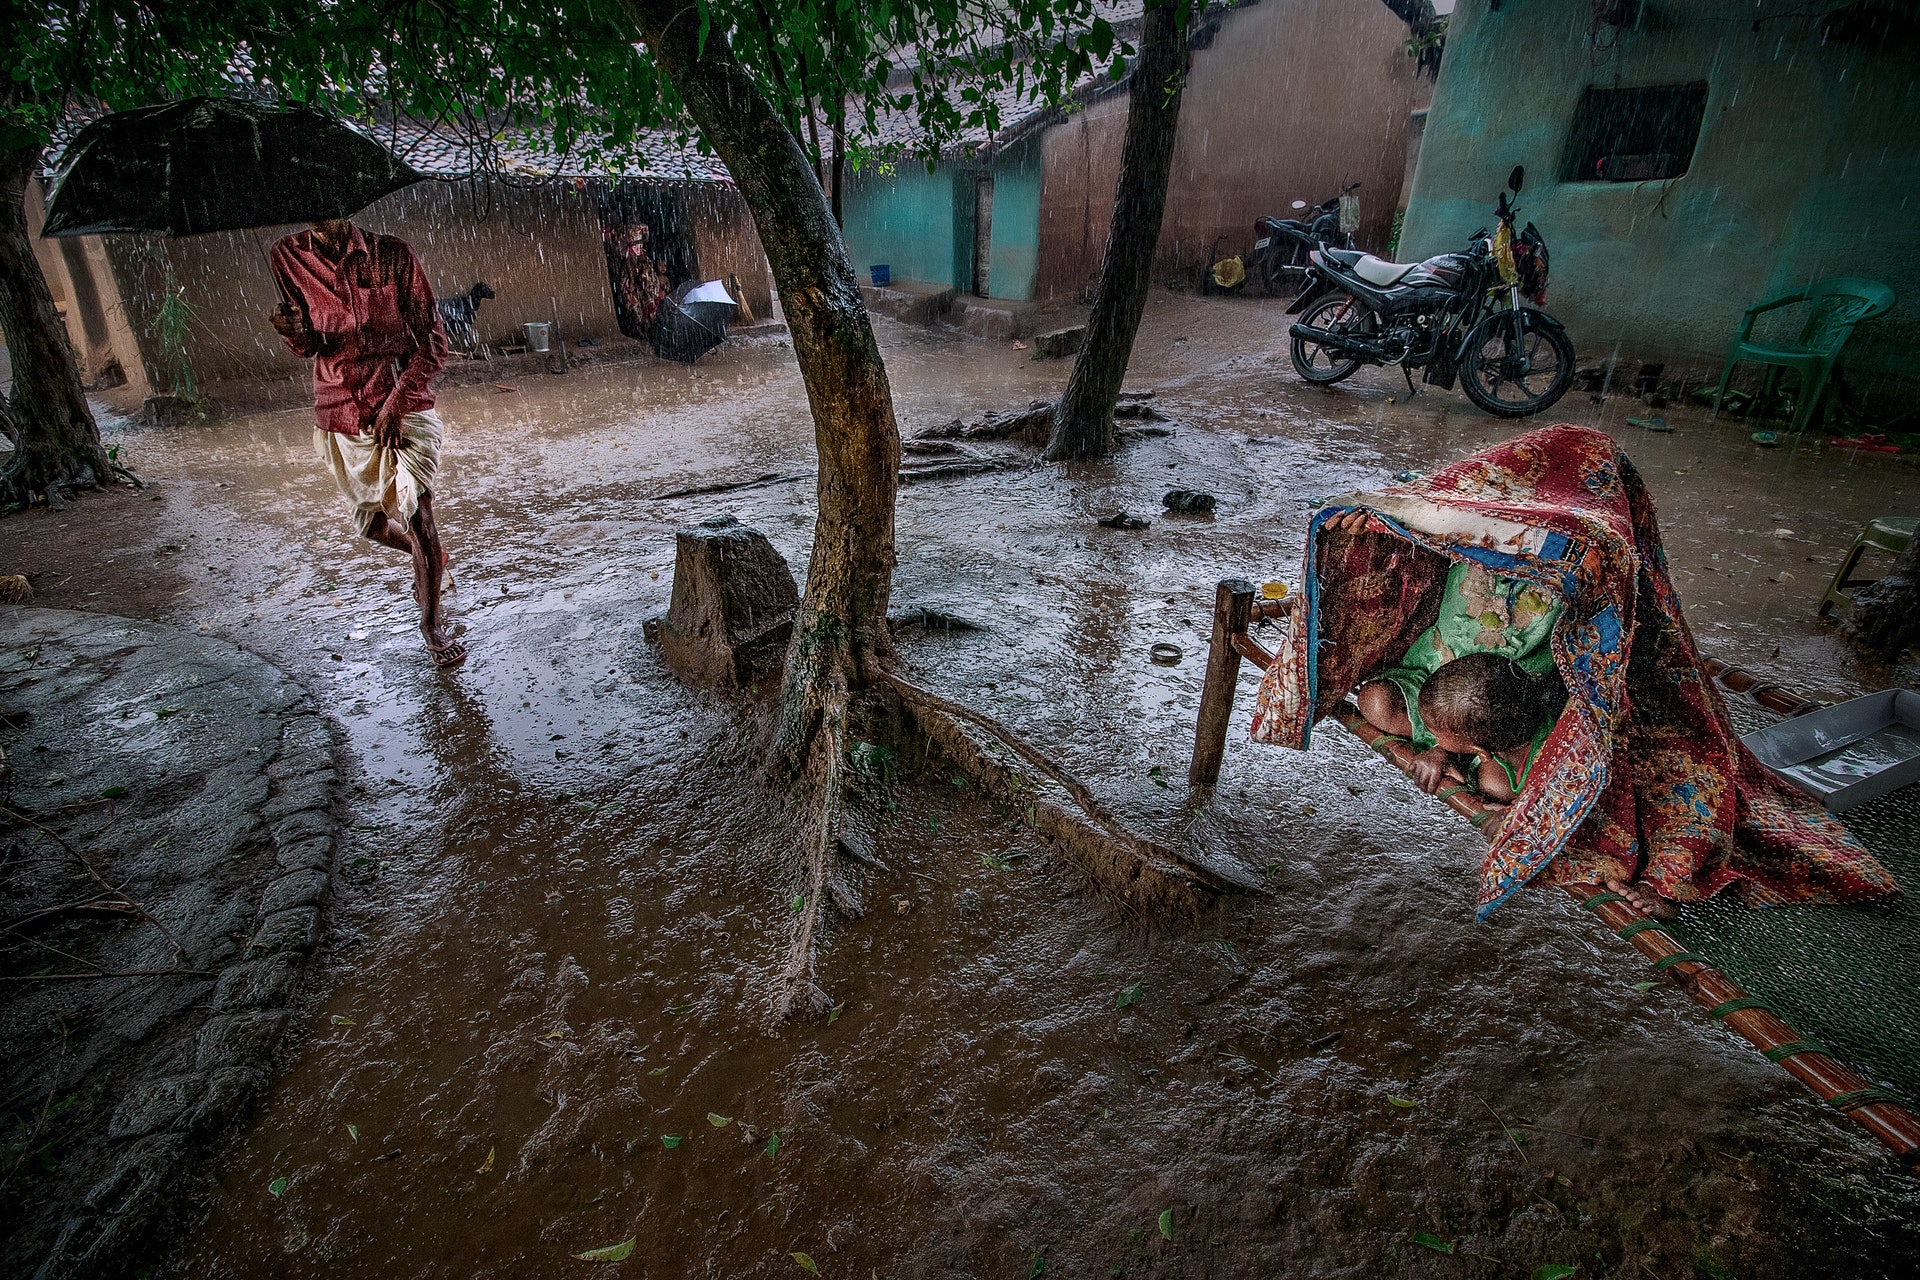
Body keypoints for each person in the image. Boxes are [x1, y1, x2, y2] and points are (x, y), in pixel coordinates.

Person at [267, 218, 465, 667]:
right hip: (338, 409)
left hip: (402, 403)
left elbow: (433, 340)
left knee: (418, 512)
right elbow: (313, 345)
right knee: (371, 526)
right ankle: (430, 557)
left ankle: (431, 623)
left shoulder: (392, 254)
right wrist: (293, 331)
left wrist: (396, 403)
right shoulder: (286, 256)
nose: (324, 217)